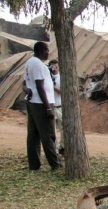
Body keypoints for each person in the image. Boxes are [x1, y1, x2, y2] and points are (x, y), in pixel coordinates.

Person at [23, 41, 62, 171]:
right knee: (48, 134)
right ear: (40, 51)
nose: (48, 53)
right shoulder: (38, 65)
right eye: (46, 50)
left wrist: (27, 90)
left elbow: (26, 83)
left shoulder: (30, 62)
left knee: (33, 135)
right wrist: (48, 108)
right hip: (41, 103)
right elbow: (40, 87)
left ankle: (35, 165)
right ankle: (55, 164)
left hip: (33, 101)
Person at [48, 59, 64, 155]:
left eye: (56, 66)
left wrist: (52, 86)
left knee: (63, 128)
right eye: (52, 66)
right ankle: (54, 149)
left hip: (60, 106)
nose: (54, 68)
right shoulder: (47, 77)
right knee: (51, 130)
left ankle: (62, 147)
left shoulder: (61, 77)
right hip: (51, 107)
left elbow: (62, 91)